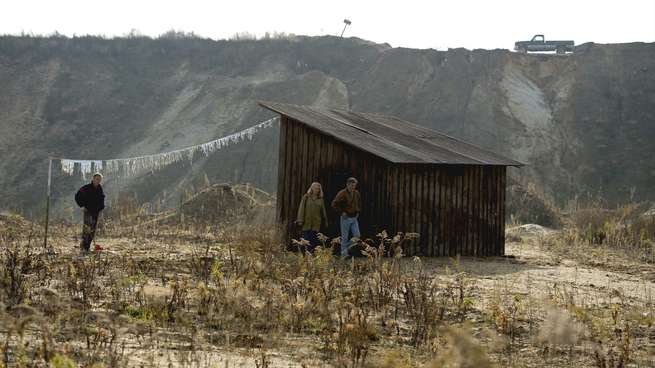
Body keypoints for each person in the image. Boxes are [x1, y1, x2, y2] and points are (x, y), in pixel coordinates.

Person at [75, 173, 105, 253]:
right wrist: (82, 205)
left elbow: (102, 198)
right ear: (93, 179)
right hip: (88, 211)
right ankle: (84, 247)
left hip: (96, 212)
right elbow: (77, 195)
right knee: (87, 229)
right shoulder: (86, 188)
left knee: (93, 229)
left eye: (99, 179)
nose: (98, 181)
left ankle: (87, 247)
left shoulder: (100, 188)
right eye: (97, 179)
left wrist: (101, 208)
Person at [331, 177, 361, 257]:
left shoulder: (357, 193)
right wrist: (341, 212)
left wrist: (358, 211)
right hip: (345, 218)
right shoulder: (342, 193)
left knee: (357, 236)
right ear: (347, 184)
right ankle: (344, 254)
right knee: (345, 237)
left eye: (354, 185)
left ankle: (344, 249)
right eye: (351, 185)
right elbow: (334, 204)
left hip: (354, 218)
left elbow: (359, 203)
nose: (353, 187)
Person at [296, 182, 329, 252]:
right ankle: (304, 256)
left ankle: (311, 256)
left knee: (314, 240)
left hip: (316, 223)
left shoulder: (320, 199)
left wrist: (325, 221)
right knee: (305, 239)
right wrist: (300, 220)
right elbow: (301, 208)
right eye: (315, 188)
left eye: (318, 189)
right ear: (311, 189)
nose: (316, 190)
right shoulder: (306, 197)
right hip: (306, 223)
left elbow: (323, 211)